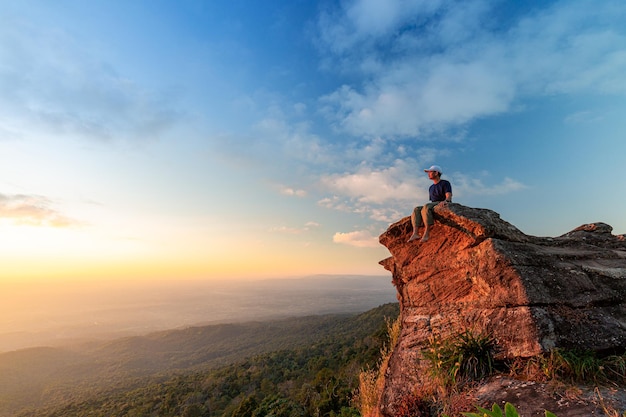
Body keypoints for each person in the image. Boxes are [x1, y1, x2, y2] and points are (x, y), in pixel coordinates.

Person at [408, 165, 452, 243]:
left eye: (430, 172)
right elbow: (432, 201)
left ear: (436, 173)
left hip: (441, 202)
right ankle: (415, 233)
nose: (428, 174)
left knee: (426, 206)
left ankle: (427, 233)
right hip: (434, 204)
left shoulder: (445, 183)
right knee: (417, 209)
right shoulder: (431, 187)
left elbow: (448, 195)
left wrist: (446, 201)